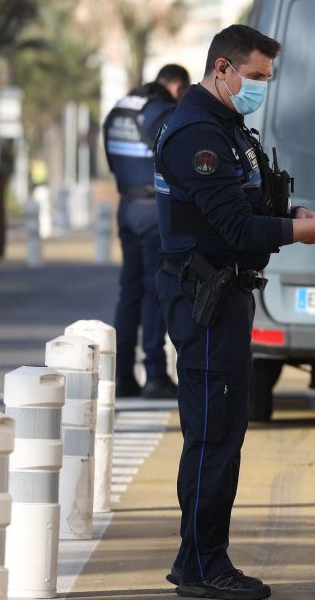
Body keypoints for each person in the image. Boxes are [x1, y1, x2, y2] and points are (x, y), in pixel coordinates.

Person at [153, 24, 315, 600]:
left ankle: (194, 560)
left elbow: (248, 200)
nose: (260, 88)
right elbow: (233, 226)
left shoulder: (229, 127)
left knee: (223, 432)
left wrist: (295, 209)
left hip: (227, 296)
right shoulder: (195, 133)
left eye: (266, 79)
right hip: (204, 300)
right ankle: (206, 568)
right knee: (212, 437)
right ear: (221, 69)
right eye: (253, 77)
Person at [104, 63, 191, 399]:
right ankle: (155, 374)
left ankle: (123, 375)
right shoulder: (161, 110)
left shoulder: (120, 109)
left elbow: (112, 162)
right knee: (156, 291)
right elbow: (176, 158)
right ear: (177, 88)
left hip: (126, 206)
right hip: (154, 211)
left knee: (130, 292)